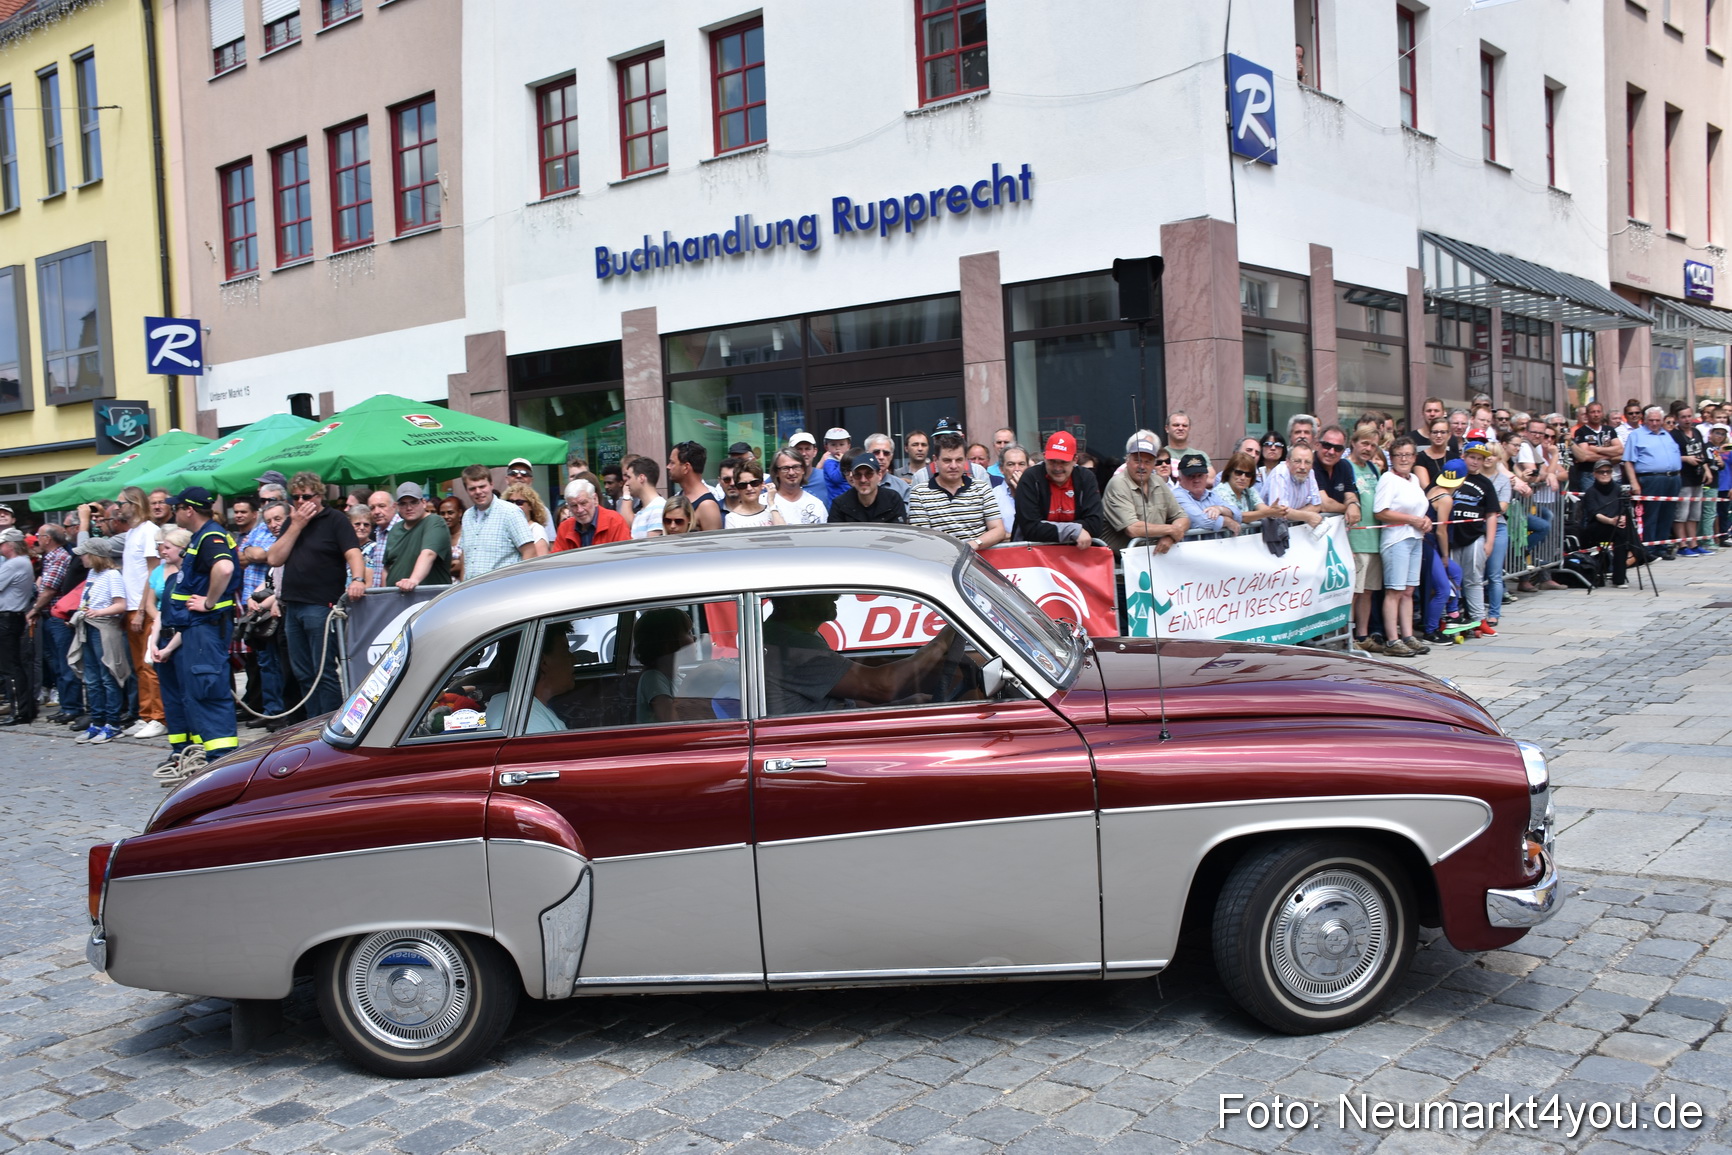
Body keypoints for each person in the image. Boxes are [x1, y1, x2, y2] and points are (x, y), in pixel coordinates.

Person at [760, 592, 963, 716]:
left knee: (920, 701)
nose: (834, 595)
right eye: (821, 591)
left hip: (829, 724)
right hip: (823, 739)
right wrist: (941, 642)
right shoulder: (794, 646)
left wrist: (901, 704)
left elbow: (846, 691)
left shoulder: (787, 634)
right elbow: (883, 686)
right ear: (795, 603)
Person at [268, 471, 368, 718]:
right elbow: (274, 558)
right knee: (302, 673)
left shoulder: (335, 519)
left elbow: (353, 552)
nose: (300, 502)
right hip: (293, 604)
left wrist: (357, 579)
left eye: (306, 496)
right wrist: (297, 525)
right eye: (296, 497)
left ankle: (332, 721)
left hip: (322, 604)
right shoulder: (292, 522)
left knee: (323, 671)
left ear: (319, 495)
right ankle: (313, 724)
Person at [161, 487, 240, 765]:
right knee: (200, 692)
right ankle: (213, 757)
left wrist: (209, 602)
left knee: (209, 692)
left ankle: (221, 760)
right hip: (198, 629)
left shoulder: (210, 535)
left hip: (206, 626)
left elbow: (225, 568)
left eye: (177, 507)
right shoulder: (203, 536)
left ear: (189, 510)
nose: (174, 512)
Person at [1373, 441, 1433, 657]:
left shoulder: (1414, 479)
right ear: (1392, 457)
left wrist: (1423, 520)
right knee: (1394, 590)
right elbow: (1381, 511)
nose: (1404, 459)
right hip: (1396, 539)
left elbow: (1419, 508)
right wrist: (1412, 519)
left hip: (1415, 537)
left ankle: (1408, 635)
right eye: (1399, 455)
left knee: (1408, 590)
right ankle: (1392, 639)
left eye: (1408, 454)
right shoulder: (1388, 479)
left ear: (1414, 458)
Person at [70, 537, 131, 743]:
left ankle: (112, 723)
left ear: (95, 556)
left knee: (108, 676)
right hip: (88, 625)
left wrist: (99, 611)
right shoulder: (92, 574)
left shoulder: (112, 575)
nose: (82, 559)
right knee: (92, 679)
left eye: (85, 554)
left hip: (104, 626)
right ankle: (97, 721)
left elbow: (120, 604)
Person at [907, 430, 1006, 549]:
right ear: (935, 460)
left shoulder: (982, 488)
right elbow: (923, 539)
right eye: (947, 460)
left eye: (959, 460)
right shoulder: (919, 493)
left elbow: (998, 530)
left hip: (978, 561)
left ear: (965, 460)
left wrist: (974, 544)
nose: (953, 466)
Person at [235, 497, 284, 728]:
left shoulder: (290, 545)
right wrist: (252, 598)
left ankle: (283, 713)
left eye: (278, 519)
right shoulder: (276, 544)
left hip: (282, 613)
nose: (273, 524)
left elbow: (288, 583)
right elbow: (267, 577)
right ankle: (271, 711)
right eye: (269, 521)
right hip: (265, 613)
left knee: (281, 666)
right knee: (266, 664)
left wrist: (264, 603)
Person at [29, 524, 83, 725]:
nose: (37, 539)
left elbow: (50, 589)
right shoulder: (49, 558)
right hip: (50, 615)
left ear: (48, 539)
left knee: (64, 663)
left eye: (39, 535)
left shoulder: (58, 557)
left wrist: (34, 609)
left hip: (58, 616)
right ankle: (67, 706)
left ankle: (72, 707)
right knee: (57, 664)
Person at [1014, 431, 1103, 548]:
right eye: (1052, 461)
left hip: (1077, 552)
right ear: (1045, 457)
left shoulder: (1086, 478)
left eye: (1063, 462)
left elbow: (1095, 525)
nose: (1057, 468)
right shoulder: (1030, 478)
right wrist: (1074, 530)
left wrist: (1047, 527)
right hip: (1035, 554)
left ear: (1075, 459)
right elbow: (1030, 528)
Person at [1104, 434, 1188, 552]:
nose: (1142, 466)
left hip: (1154, 556)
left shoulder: (1158, 481)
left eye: (1148, 462)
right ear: (1127, 461)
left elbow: (1182, 517)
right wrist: (1171, 530)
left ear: (1154, 464)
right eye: (1137, 461)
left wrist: (1170, 537)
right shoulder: (1118, 484)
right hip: (1122, 563)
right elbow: (1133, 529)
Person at [1449, 444, 1500, 635]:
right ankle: (1451, 617)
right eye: (1472, 457)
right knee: (1451, 580)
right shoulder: (1452, 477)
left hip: (1475, 536)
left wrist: (1489, 542)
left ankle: (1479, 618)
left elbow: (1492, 514)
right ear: (1464, 457)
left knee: (1474, 578)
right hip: (1452, 536)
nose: (1475, 461)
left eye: (1480, 458)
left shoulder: (1485, 483)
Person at [1622, 406, 1683, 559]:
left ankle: (1661, 547)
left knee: (1667, 514)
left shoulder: (1666, 434)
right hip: (1651, 478)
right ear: (1645, 420)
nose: (1654, 423)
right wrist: (1634, 483)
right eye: (1651, 420)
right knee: (1651, 515)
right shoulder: (1636, 435)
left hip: (1673, 478)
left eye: (1657, 420)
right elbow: (1628, 461)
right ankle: (1649, 549)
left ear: (1662, 421)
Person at [458, 463, 539, 575]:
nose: (478, 492)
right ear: (466, 490)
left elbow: (530, 552)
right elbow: (465, 558)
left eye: (482, 486)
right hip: (472, 589)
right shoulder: (467, 516)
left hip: (503, 588)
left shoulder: (510, 512)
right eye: (472, 488)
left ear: (491, 485)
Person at [1346, 427, 1385, 649]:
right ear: (1354, 442)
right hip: (1357, 538)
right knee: (1354, 591)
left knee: (1368, 591)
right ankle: (1348, 635)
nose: (1368, 449)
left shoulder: (1373, 468)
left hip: (1374, 538)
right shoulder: (1346, 467)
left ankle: (1362, 635)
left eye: (1372, 445)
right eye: (1364, 443)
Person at [384, 483, 453, 590]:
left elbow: (429, 554)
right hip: (396, 598)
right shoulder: (395, 529)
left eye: (414, 502)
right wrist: (385, 594)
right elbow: (387, 567)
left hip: (427, 598)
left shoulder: (435, 522)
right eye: (403, 504)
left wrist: (413, 580)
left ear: (424, 503)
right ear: (397, 506)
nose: (409, 507)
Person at [0, 527, 34, 725]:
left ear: (10, 545)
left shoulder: (14, 564)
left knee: (10, 667)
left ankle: (20, 711)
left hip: (7, 617)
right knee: (11, 665)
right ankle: (22, 708)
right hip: (10, 617)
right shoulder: (18, 562)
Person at [1581, 459, 1631, 587]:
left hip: (1616, 525)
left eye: (1608, 471)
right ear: (1595, 474)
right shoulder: (1590, 492)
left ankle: (1619, 578)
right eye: (1601, 472)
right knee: (1622, 532)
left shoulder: (1618, 489)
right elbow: (1594, 514)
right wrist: (1611, 521)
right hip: (1597, 527)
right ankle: (1642, 553)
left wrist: (1622, 519)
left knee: (1622, 533)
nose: (1605, 474)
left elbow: (1625, 508)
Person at [1671, 405, 1710, 555]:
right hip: (1683, 478)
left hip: (1698, 477)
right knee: (1682, 513)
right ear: (1677, 418)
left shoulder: (1697, 431)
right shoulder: (1674, 435)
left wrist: (1707, 470)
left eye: (1689, 416)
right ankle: (1682, 545)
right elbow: (1670, 455)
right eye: (1683, 417)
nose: (1687, 420)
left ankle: (1693, 543)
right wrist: (1686, 458)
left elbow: (1701, 453)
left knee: (1694, 513)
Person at [1172, 453, 1240, 536]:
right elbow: (1202, 521)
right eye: (1191, 476)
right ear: (1179, 479)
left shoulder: (1212, 495)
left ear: (1206, 477)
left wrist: (1220, 509)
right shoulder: (1177, 495)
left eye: (1200, 475)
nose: (1196, 480)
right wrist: (1228, 521)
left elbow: (1238, 514)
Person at [551, 478, 629, 549]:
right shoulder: (565, 528)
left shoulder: (614, 521)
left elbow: (625, 556)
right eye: (574, 505)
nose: (579, 510)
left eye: (583, 503)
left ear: (595, 499)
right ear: (569, 507)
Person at [1211, 451, 1277, 533]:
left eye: (1248, 474)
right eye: (1238, 473)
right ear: (1229, 472)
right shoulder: (1220, 491)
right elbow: (1240, 516)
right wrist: (1268, 513)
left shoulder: (1249, 489)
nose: (1243, 477)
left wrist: (1275, 510)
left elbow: (1262, 507)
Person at [1259, 444, 1324, 526]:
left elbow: (1317, 505)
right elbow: (1279, 511)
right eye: (1297, 461)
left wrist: (1295, 515)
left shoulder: (1310, 472)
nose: (1303, 467)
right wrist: (1307, 516)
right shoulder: (1280, 473)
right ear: (1288, 462)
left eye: (1307, 462)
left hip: (1292, 528)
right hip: (1268, 530)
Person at [829, 458, 907, 523]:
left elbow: (900, 534)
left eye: (869, 474)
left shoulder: (893, 499)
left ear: (879, 475)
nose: (863, 480)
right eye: (858, 475)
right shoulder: (840, 504)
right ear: (852, 477)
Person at [668, 442, 724, 532]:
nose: (668, 467)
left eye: (672, 463)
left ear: (686, 467)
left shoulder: (707, 506)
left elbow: (714, 544)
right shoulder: (679, 497)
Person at [768, 450, 828, 525]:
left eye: (796, 467)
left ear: (803, 470)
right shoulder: (764, 503)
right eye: (785, 468)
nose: (791, 473)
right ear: (776, 472)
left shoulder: (817, 505)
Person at [724, 461, 782, 528]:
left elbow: (784, 533)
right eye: (743, 485)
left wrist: (771, 502)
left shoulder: (772, 510)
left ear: (762, 484)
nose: (749, 488)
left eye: (754, 483)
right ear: (737, 488)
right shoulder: (732, 518)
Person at [505, 484, 556, 555]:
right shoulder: (506, 528)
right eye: (510, 502)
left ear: (530, 506)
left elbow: (541, 562)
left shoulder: (536, 530)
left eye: (519, 502)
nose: (513, 505)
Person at [623, 456, 665, 539]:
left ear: (641, 478)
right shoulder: (642, 512)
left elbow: (652, 548)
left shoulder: (658, 508)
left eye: (629, 477)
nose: (627, 483)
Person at [860, 434, 911, 499]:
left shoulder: (902, 487)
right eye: (876, 452)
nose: (881, 457)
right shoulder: (858, 483)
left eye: (886, 453)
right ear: (866, 454)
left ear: (891, 456)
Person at [786, 431, 830, 506]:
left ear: (815, 451)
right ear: (790, 452)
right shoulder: (780, 478)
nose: (803, 453)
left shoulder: (826, 477)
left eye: (807, 449)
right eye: (799, 449)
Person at [994, 444, 1029, 529]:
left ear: (1028, 467)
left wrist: (1023, 492)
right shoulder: (993, 496)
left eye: (1021, 464)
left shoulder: (1037, 492)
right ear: (1001, 469)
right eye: (1011, 464)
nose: (1017, 469)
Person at [817, 427, 853, 504]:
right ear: (827, 447)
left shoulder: (850, 459)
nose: (837, 448)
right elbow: (836, 479)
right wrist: (842, 462)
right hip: (837, 502)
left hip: (851, 499)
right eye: (833, 445)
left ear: (848, 446)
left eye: (841, 444)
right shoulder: (829, 462)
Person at [437, 495, 466, 580]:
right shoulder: (438, 536)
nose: (446, 517)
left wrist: (444, 570)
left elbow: (464, 565)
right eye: (442, 513)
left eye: (450, 513)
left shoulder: (467, 535)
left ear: (459, 513)